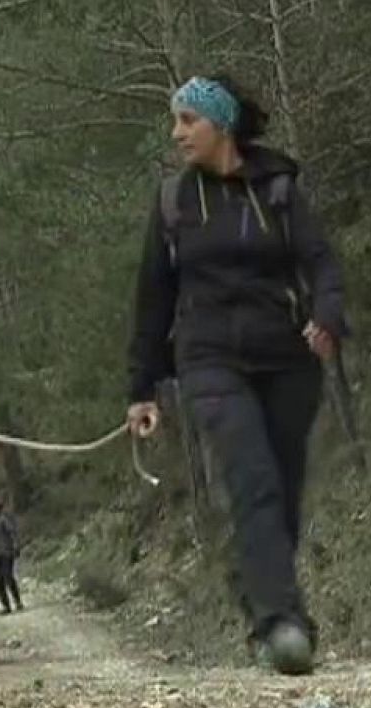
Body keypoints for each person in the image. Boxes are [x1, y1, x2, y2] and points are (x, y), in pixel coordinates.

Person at [125, 74, 348, 677]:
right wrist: (141, 388)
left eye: (187, 121)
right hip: (208, 361)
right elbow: (153, 299)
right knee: (252, 478)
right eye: (175, 123)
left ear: (219, 123)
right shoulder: (174, 201)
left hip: (286, 361)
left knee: (282, 489)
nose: (177, 134)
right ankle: (283, 622)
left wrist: (327, 318)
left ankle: (258, 594)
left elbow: (321, 262)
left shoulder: (277, 188)